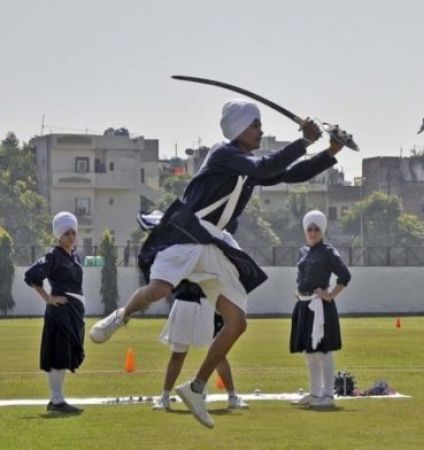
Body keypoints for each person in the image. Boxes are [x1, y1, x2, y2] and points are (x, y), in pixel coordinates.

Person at [89, 99, 331, 428]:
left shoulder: (247, 166)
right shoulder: (222, 154)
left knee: (237, 322)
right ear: (238, 128)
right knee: (159, 289)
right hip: (187, 231)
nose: (261, 131)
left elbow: (290, 173)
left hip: (214, 242)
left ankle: (196, 387)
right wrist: (303, 141)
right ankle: (121, 316)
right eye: (255, 125)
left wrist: (331, 152)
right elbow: (266, 167)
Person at [24, 212, 86, 414]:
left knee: (66, 354)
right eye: (66, 233)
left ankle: (58, 399)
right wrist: (49, 298)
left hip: (73, 312)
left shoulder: (74, 256)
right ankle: (57, 401)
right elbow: (32, 276)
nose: (71, 237)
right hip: (60, 313)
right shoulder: (54, 255)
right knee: (58, 354)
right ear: (59, 235)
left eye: (73, 232)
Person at [153, 281, 248, 411]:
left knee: (217, 354)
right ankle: (165, 398)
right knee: (181, 354)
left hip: (202, 303)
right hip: (190, 302)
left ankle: (232, 397)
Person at [290, 210, 351, 408]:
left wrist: (330, 295)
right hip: (304, 304)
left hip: (320, 306)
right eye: (309, 229)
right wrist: (299, 292)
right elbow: (301, 275)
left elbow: (345, 275)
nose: (313, 232)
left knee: (323, 351)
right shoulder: (303, 251)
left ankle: (328, 395)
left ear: (322, 230)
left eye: (316, 229)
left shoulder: (328, 252)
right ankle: (315, 392)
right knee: (310, 352)